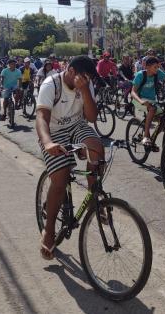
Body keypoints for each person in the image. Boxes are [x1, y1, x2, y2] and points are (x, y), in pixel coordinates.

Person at [35, 55, 104, 260]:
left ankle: (94, 197)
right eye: (83, 78)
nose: (86, 81)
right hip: (53, 131)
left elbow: (91, 118)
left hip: (76, 126)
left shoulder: (85, 84)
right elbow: (41, 118)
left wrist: (84, 89)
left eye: (89, 79)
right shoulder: (51, 85)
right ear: (71, 71)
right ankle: (48, 231)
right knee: (61, 177)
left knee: (97, 150)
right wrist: (47, 143)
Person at [130, 56, 165, 145]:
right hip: (138, 100)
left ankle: (152, 138)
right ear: (147, 67)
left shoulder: (157, 73)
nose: (157, 69)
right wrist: (141, 101)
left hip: (152, 101)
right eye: (155, 67)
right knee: (152, 109)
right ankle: (146, 136)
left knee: (162, 119)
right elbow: (133, 92)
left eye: (158, 67)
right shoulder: (140, 75)